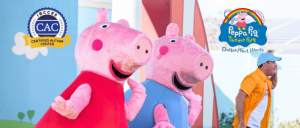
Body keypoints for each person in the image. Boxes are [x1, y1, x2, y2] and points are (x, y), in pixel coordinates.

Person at [232, 52, 281, 128]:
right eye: (273, 62)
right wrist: (242, 123)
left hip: (256, 125)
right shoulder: (253, 78)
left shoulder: (265, 80)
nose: (275, 65)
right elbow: (239, 98)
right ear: (265, 64)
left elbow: (273, 85)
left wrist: (275, 73)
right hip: (247, 125)